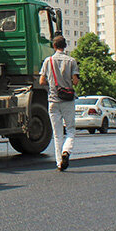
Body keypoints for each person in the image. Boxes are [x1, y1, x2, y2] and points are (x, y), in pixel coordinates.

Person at [38, 34, 80, 171]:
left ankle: (59, 163)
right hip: (67, 101)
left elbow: (41, 81)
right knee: (70, 130)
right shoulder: (71, 61)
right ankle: (66, 151)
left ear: (54, 46)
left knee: (57, 134)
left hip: (53, 100)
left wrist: (51, 85)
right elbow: (75, 81)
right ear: (65, 46)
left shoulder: (47, 61)